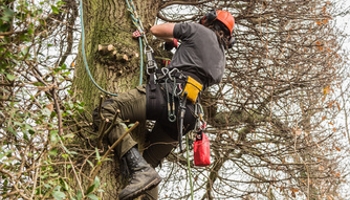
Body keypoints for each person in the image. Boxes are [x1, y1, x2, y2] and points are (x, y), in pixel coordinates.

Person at [92, 9, 235, 200]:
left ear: (208, 21)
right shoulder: (221, 59)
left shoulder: (196, 30)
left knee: (106, 111)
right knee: (150, 163)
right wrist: (179, 45)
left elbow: (156, 30)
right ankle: (144, 171)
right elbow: (195, 61)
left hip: (165, 97)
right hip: (188, 115)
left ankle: (138, 169)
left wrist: (176, 37)